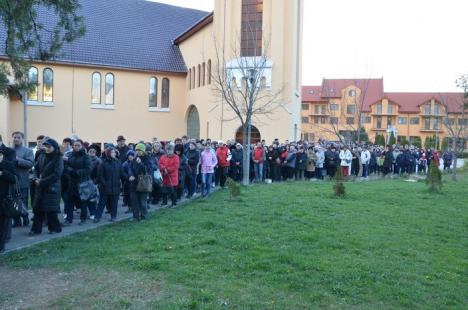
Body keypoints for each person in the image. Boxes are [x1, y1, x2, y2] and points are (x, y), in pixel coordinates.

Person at [30, 138, 63, 235]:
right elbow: (36, 168)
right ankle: (36, 229)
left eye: (49, 146)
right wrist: (35, 178)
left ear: (55, 147)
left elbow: (57, 174)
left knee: (50, 210)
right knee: (38, 209)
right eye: (46, 146)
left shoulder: (58, 158)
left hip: (52, 187)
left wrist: (42, 182)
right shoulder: (41, 155)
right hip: (40, 186)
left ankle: (55, 228)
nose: (47, 148)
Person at [64, 139, 92, 225]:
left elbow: (88, 169)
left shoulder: (86, 156)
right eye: (75, 145)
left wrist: (75, 172)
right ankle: (69, 219)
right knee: (69, 202)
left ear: (82, 146)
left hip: (82, 183)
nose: (76, 147)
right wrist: (69, 170)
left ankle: (83, 219)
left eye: (78, 145)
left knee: (82, 202)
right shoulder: (71, 155)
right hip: (71, 183)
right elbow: (67, 165)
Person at [11, 132, 34, 227]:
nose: (16, 139)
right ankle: (16, 221)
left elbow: (30, 163)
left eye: (18, 137)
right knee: (13, 201)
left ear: (22, 139)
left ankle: (25, 218)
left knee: (22, 201)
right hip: (11, 181)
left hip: (22, 181)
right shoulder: (9, 150)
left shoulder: (28, 151)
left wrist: (18, 159)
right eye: (14, 137)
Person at [95, 147, 122, 222]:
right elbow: (100, 176)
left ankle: (113, 216)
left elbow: (122, 174)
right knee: (102, 203)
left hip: (115, 187)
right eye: (112, 152)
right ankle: (97, 217)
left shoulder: (118, 163)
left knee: (114, 203)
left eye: (114, 152)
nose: (114, 154)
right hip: (105, 188)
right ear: (108, 153)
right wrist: (105, 184)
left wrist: (129, 177)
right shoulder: (103, 163)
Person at [0, 143, 17, 253]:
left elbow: (14, 179)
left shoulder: (7, 164)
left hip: (3, 199)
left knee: (2, 224)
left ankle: (1, 245)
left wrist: (2, 173)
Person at [129, 143, 152, 220]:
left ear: (143, 151)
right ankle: (135, 217)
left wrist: (141, 163)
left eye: (140, 150)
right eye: (136, 150)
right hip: (134, 183)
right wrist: (131, 175)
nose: (138, 152)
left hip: (143, 183)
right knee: (135, 202)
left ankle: (143, 216)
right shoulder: (134, 159)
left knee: (142, 202)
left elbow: (148, 170)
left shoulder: (147, 159)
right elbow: (130, 168)